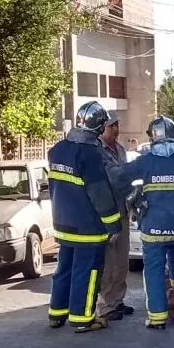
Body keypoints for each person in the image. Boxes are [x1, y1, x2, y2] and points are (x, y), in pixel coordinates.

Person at [111, 116, 174, 330]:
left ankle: (158, 317)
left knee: (154, 268)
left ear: (152, 137)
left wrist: (134, 195)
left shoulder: (147, 160)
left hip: (154, 226)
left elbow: (119, 177)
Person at [47, 101, 122, 333]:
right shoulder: (91, 154)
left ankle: (56, 313)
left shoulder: (58, 149)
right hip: (88, 227)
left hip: (63, 223)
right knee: (88, 272)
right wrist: (114, 224)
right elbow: (99, 193)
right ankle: (82, 318)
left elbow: (54, 187)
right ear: (100, 126)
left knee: (65, 268)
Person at [96, 112, 133, 321]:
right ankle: (106, 306)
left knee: (122, 260)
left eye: (117, 125)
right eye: (112, 126)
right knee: (109, 261)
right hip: (107, 211)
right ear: (102, 128)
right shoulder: (97, 151)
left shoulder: (119, 149)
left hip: (122, 209)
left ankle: (118, 301)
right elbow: (115, 178)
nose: (116, 129)